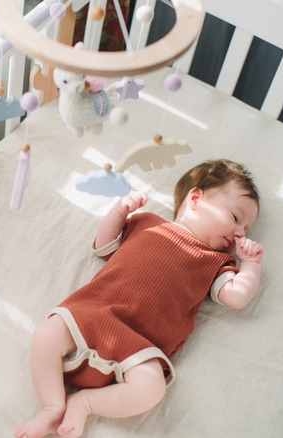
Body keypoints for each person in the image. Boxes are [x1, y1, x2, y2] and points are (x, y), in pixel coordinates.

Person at [15, 159, 264, 438]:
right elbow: (103, 247)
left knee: (152, 388)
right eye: (235, 218)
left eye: (247, 228)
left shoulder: (217, 263)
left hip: (140, 344)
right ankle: (52, 407)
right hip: (94, 314)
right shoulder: (146, 222)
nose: (241, 232)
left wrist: (250, 265)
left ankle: (83, 403)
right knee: (46, 335)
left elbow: (237, 297)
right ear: (195, 198)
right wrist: (119, 212)